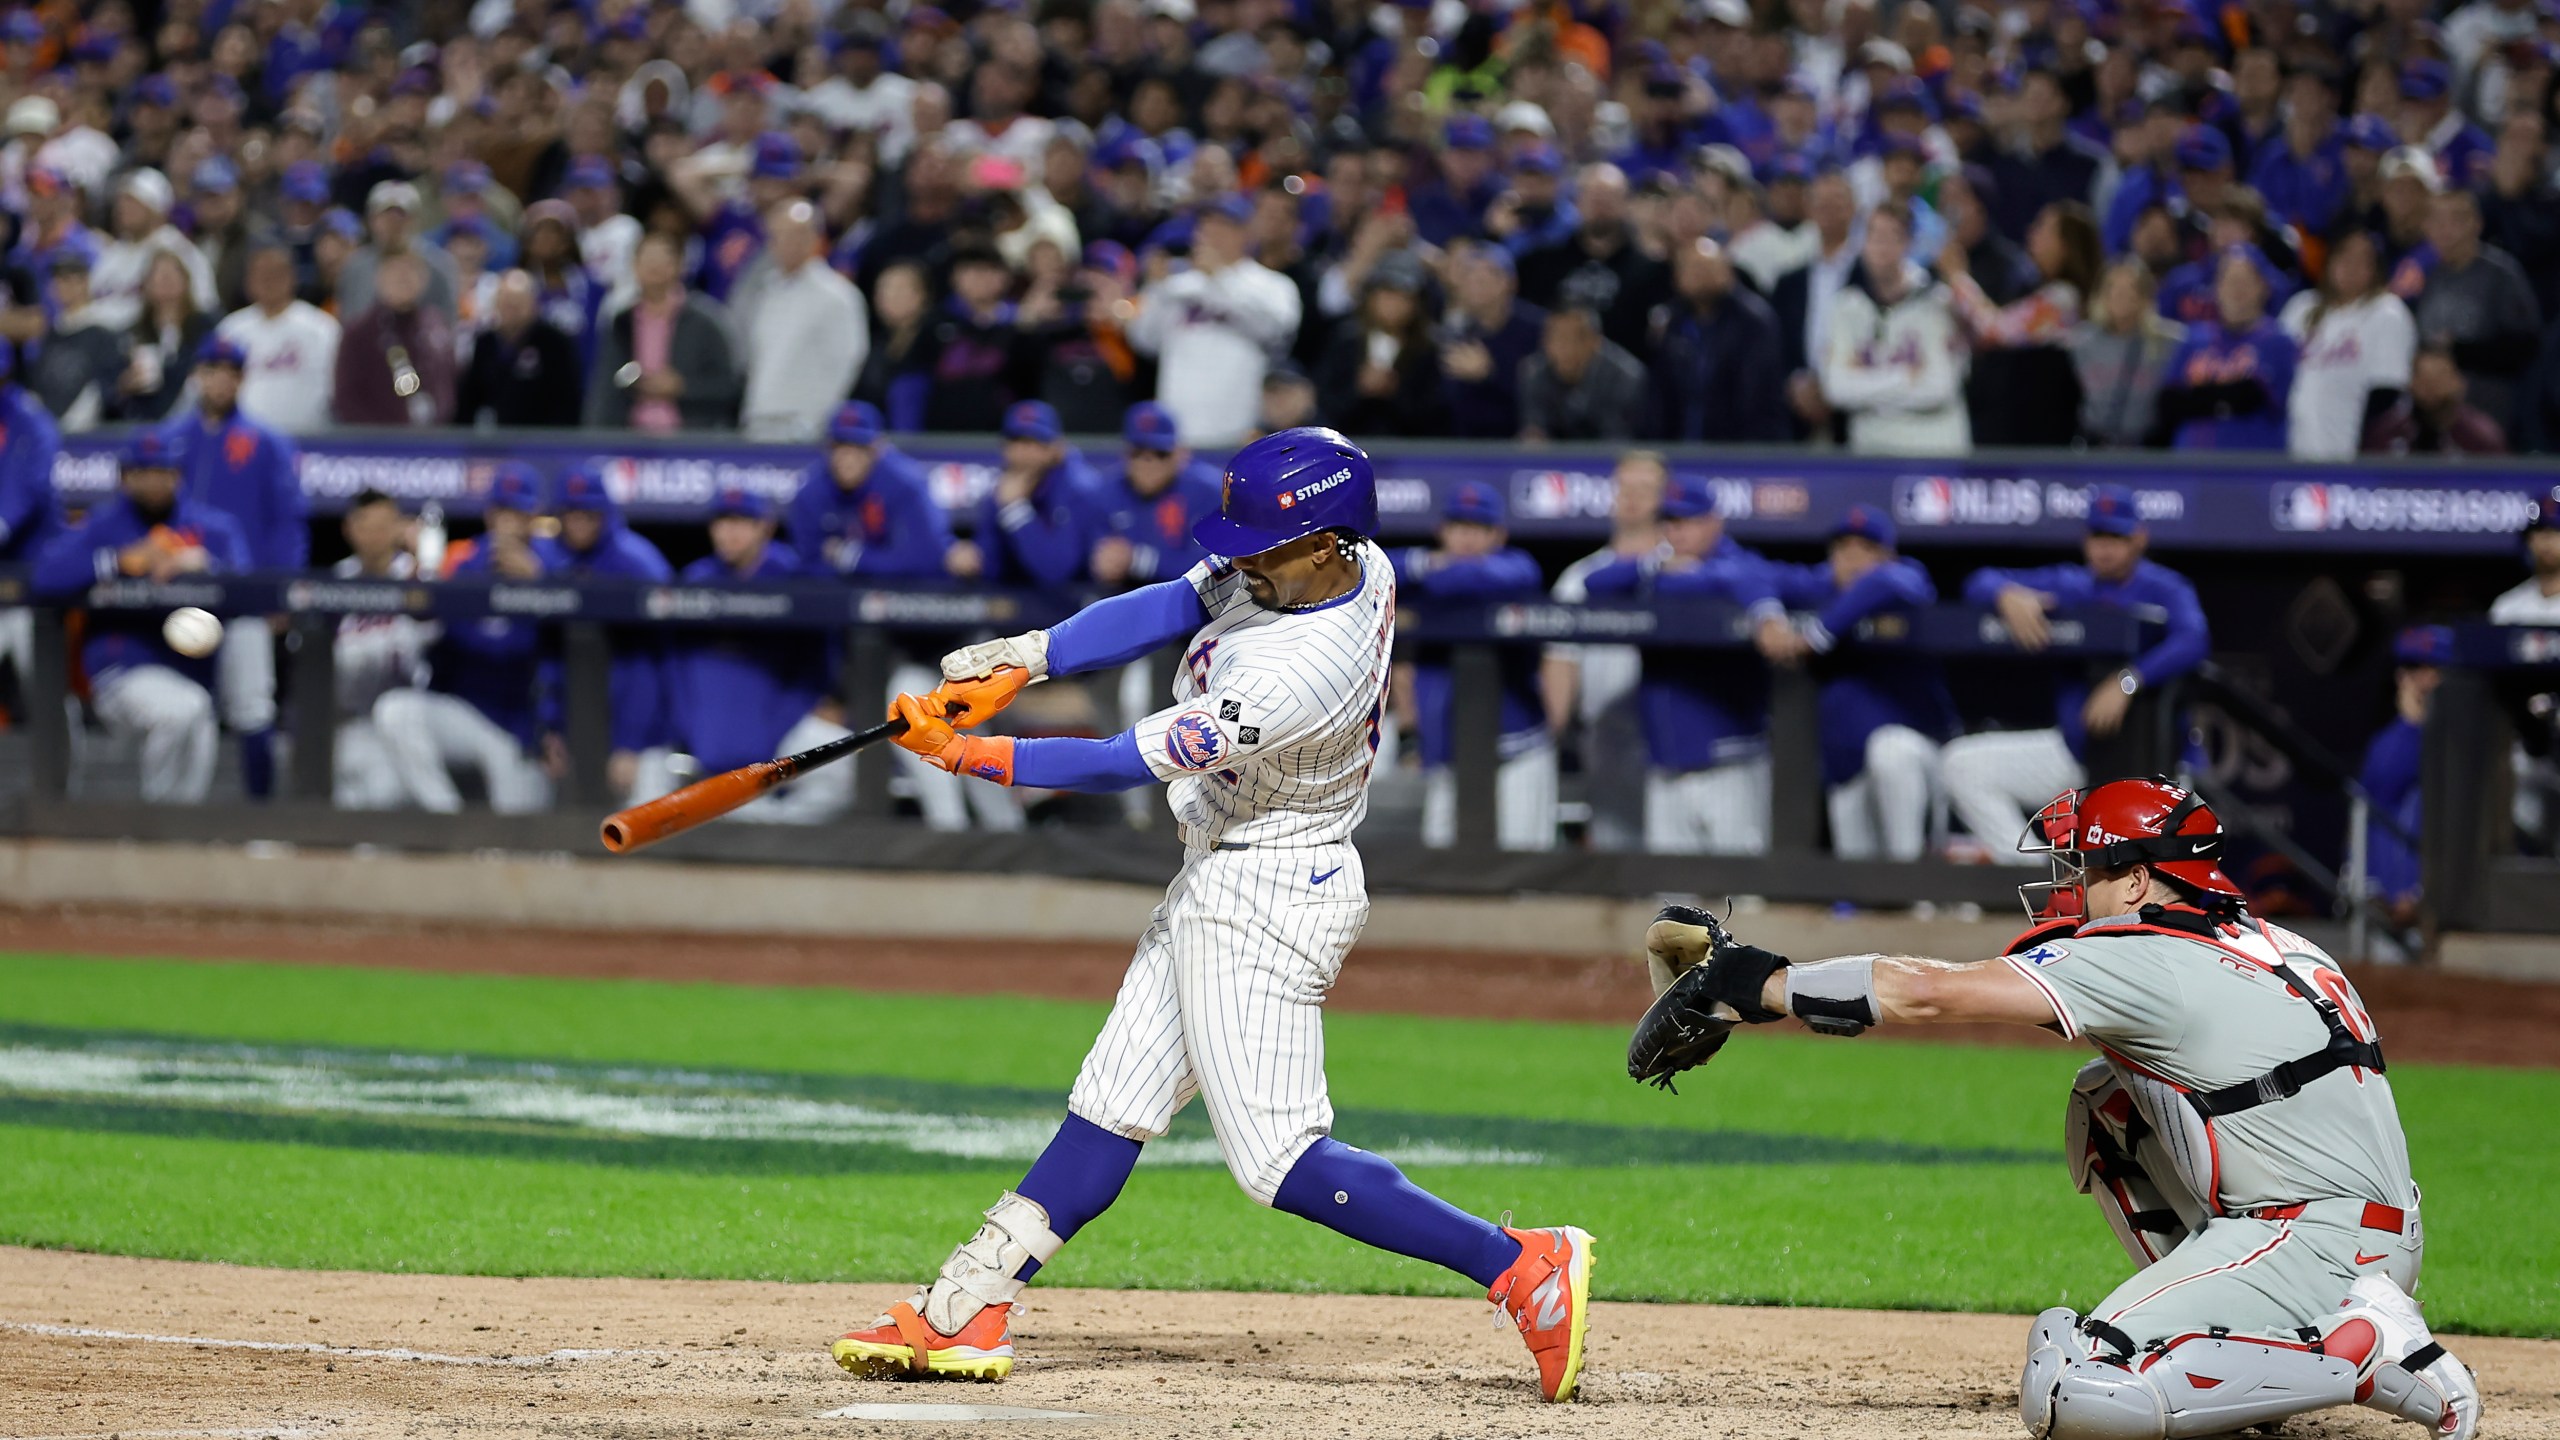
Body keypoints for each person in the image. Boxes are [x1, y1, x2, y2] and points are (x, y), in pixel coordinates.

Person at [835, 428, 1595, 1405]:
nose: (1239, 561)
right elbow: (1172, 600)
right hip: (1220, 870)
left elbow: (1117, 759)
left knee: (1277, 1160)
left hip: (1269, 893)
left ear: (1326, 542)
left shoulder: (1296, 669)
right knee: (1110, 1102)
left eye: (1261, 548)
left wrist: (972, 755)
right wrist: (1032, 654)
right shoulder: (1327, 561)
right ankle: (963, 1307)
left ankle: (1519, 1265)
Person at [1644, 778, 2480, 1440]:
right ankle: (2240, 1343)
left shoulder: (2145, 959)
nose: (2071, 886)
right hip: (2359, 1228)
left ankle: (2362, 1353)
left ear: (2142, 877)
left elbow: (1929, 995)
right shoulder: (2269, 940)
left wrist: (1757, 985)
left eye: (2088, 868)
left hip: (2315, 1245)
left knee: (2075, 1384)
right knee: (2107, 1099)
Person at [784, 401, 1020, 835]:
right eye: (839, 447)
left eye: (858, 447)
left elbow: (928, 559)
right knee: (913, 711)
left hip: (945, 636)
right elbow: (809, 569)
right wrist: (880, 563)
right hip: (889, 646)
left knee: (970, 734)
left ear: (877, 448)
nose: (848, 457)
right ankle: (954, 830)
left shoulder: (904, 484)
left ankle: (1006, 833)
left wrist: (854, 557)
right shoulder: (811, 493)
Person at [1940, 485, 2211, 861]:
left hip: (2152, 763)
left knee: (2154, 881)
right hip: (2076, 752)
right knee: (1962, 764)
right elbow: (1978, 581)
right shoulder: (2071, 584)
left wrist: (2127, 680)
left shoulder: (2165, 587)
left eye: (2116, 536)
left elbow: (2194, 639)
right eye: (2099, 535)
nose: (2105, 546)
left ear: (2139, 539)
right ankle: (2032, 873)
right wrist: (2005, 594)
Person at [29, 431, 249, 804]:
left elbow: (249, 588)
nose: (153, 480)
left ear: (178, 476)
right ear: (125, 478)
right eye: (142, 472)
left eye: (162, 471)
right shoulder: (105, 526)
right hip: (119, 668)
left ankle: (180, 829)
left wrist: (206, 567)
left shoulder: (210, 528)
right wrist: (116, 560)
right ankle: (157, 825)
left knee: (199, 722)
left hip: (191, 669)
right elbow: (45, 575)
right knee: (182, 711)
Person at [1580, 477, 1789, 855]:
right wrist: (1652, 566)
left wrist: (1767, 615)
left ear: (1714, 523)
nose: (1677, 531)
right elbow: (1595, 582)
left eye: (1688, 521)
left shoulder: (1740, 566)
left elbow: (1749, 580)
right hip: (1665, 764)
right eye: (1670, 521)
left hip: (1731, 763)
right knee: (1673, 902)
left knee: (1740, 895)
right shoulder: (1654, 570)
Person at [633, 488, 852, 826]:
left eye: (742, 522)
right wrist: (687, 724)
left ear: (764, 527)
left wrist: (789, 716)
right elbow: (672, 665)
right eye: (722, 522)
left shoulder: (794, 578)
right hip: (702, 732)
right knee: (645, 788)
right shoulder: (695, 581)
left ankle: (767, 825)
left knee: (844, 767)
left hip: (781, 726)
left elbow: (817, 661)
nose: (730, 532)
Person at [1763, 505, 1957, 861]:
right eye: (1842, 547)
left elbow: (1890, 581)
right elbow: (1756, 576)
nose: (1851, 558)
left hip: (1920, 757)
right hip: (1846, 762)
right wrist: (1766, 615)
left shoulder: (1904, 578)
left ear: (1888, 554)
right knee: (1854, 881)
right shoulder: (1824, 586)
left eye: (1865, 548)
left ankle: (1915, 882)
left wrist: (1819, 634)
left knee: (1890, 749)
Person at [166, 335, 305, 801]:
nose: (221, 380)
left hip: (244, 598)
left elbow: (288, 522)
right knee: (183, 710)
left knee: (252, 707)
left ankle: (258, 821)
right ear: (197, 376)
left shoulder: (266, 442)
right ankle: (175, 822)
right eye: (212, 370)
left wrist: (280, 591)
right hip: (175, 596)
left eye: (231, 371)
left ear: (242, 379)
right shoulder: (171, 440)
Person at [374, 463, 552, 814]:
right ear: (489, 514)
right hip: (469, 714)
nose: (509, 522)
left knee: (522, 839)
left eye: (518, 512)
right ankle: (447, 820)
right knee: (395, 711)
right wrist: (418, 583)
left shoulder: (552, 563)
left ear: (534, 516)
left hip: (522, 729)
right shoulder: (465, 560)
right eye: (502, 510)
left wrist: (540, 585)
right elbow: (429, 621)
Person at [1392, 484, 1556, 851]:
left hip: (1516, 749)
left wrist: (1431, 568)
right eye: (1458, 526)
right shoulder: (1420, 572)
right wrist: (1426, 566)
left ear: (1498, 534)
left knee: (1527, 864)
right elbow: (1375, 567)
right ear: (1442, 531)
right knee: (1441, 865)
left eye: (1478, 528)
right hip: (1450, 751)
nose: (1466, 537)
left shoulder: (1517, 567)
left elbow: (1479, 578)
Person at [1544, 452, 1666, 853]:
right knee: (1618, 861)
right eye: (1624, 488)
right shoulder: (1579, 578)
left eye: (1644, 490)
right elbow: (1561, 664)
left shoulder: (1683, 568)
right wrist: (1552, 738)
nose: (1632, 498)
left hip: (1669, 734)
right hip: (1606, 739)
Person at [539, 463, 674, 800]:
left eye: (589, 511)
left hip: (645, 740)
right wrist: (551, 727)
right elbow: (550, 659)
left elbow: (654, 666)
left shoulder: (638, 563)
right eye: (572, 512)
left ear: (605, 512)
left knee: (645, 833)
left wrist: (630, 743)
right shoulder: (554, 563)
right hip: (578, 732)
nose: (580, 520)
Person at [1126, 195, 1301, 445]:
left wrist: (1218, 279)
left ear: (1245, 233)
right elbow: (1145, 340)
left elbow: (1274, 331)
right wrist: (1155, 288)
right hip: (1177, 434)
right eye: (1206, 225)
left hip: (1241, 431)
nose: (1212, 233)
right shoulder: (1178, 286)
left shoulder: (1272, 285)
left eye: (1223, 225)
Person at [1944, 201, 2103, 448]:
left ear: (2065, 246)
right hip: (2024, 426)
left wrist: (1957, 276)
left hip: (2040, 431)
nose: (2032, 233)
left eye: (2043, 228)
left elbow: (1995, 329)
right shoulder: (2037, 288)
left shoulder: (2064, 298)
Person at [1819, 200, 1969, 455]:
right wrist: (1906, 376)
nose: (1881, 247)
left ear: (1908, 243)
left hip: (1934, 451)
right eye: (1874, 235)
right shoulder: (1845, 307)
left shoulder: (1939, 302)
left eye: (1892, 237)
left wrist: (1866, 382)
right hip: (1871, 452)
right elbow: (1837, 388)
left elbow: (1939, 387)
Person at [326, 490, 433, 811]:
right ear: (349, 528)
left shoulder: (418, 578)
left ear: (400, 527)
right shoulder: (336, 581)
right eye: (367, 526)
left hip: (406, 719)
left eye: (385, 525)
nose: (376, 535)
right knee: (346, 806)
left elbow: (434, 635)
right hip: (348, 721)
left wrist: (420, 573)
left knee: (382, 797)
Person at [735, 199, 869, 442]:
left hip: (804, 428)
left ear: (815, 238)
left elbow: (848, 362)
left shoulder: (837, 296)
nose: (788, 244)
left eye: (798, 235)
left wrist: (815, 421)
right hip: (758, 422)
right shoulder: (767, 292)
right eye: (779, 235)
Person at [2410, 188, 2540, 430]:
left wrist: (2459, 351)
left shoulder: (2502, 275)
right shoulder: (2431, 278)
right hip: (2436, 421)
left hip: (2490, 418)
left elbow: (2525, 348)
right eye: (2436, 219)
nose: (2445, 229)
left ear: (2477, 224)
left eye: (2456, 219)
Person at [586, 230, 741, 432]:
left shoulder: (706, 322)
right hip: (629, 442)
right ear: (634, 266)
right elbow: (605, 388)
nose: (654, 266)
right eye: (648, 258)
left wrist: (682, 387)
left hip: (690, 443)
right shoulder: (620, 322)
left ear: (680, 265)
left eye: (663, 258)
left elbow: (729, 388)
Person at [2282, 230, 2417, 460]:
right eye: (2344, 257)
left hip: (2348, 456)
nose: (2350, 266)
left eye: (2362, 260)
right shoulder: (2301, 308)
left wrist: (2366, 456)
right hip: (2292, 454)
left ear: (2376, 269)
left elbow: (2387, 396)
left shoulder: (2387, 312)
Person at [2153, 246, 2296, 450]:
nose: (2237, 289)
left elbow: (2251, 398)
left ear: (2264, 287)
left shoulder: (2279, 342)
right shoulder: (2193, 339)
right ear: (2217, 288)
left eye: (2247, 280)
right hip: (2189, 470)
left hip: (2253, 471)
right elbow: (2169, 404)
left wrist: (2198, 398)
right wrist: (2227, 398)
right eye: (2229, 280)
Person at [1647, 237, 1788, 442]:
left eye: (1709, 268)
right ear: (1677, 277)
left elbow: (1757, 397)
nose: (1701, 276)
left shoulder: (1755, 322)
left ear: (1728, 273)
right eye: (1694, 269)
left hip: (1738, 448)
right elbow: (1659, 394)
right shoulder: (1669, 322)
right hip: (1680, 445)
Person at [2357, 625, 2451, 929]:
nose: (2422, 679)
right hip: (2387, 909)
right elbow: (2380, 797)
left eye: (2433, 668)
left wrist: (2426, 894)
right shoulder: (2387, 743)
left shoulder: (2467, 744)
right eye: (2413, 667)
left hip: (2445, 908)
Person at [958, 402, 1099, 590]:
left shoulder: (1080, 489)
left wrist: (1016, 510)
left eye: (1033, 443)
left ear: (1055, 449)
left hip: (1078, 606)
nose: (1022, 453)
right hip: (1023, 608)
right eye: (1015, 442)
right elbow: (991, 567)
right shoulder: (1004, 486)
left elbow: (1056, 572)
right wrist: (972, 560)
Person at [1316, 251, 1447, 438]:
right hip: (1349, 444)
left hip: (1409, 455)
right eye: (1387, 294)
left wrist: (1395, 392)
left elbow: (1435, 415)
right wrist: (1359, 389)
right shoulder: (1345, 340)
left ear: (1417, 304)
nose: (1393, 305)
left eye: (1403, 297)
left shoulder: (1427, 349)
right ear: (1371, 297)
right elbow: (1325, 403)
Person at [214, 242, 340, 434]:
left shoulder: (321, 328)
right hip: (241, 443)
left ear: (293, 277)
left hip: (307, 440)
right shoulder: (231, 329)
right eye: (260, 274)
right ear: (248, 281)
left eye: (276, 273)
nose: (268, 280)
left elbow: (336, 388)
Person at [2068, 260, 2188, 448]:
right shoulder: (2080, 342)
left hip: (2145, 449)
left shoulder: (2170, 343)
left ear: (2145, 296)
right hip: (2094, 447)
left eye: (2130, 288)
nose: (2120, 295)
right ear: (2101, 294)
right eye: (2113, 288)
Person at [0, 343, 61, 700]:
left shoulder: (30, 421)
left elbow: (24, 495)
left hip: (30, 577)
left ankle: (65, 758)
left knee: (44, 688)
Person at [1437, 242, 1546, 439]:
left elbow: (1548, 397)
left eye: (1490, 273)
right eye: (1469, 274)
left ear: (1511, 283)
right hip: (1463, 448)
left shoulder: (1538, 330)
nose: (1478, 281)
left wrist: (1491, 375)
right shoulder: (1453, 331)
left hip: (1518, 446)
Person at [333, 251, 457, 426]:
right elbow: (346, 398)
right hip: (380, 445)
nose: (403, 279)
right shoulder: (359, 332)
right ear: (379, 279)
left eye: (410, 272)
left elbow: (451, 379)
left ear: (424, 279)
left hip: (434, 440)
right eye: (395, 273)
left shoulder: (435, 325)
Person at [458, 270, 585, 428]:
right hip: (496, 439)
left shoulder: (555, 343)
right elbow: (470, 399)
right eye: (506, 303)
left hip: (543, 438)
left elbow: (568, 401)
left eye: (517, 304)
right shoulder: (485, 342)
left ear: (533, 305)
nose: (510, 310)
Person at [1518, 306, 1651, 441]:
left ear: (1595, 341)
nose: (1565, 349)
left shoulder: (1625, 377)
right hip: (1553, 460)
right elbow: (1534, 429)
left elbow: (1618, 439)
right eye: (1556, 338)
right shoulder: (1532, 373)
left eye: (1575, 339)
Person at [114, 249, 213, 421]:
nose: (166, 281)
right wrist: (125, 384)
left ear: (186, 280)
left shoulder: (204, 325)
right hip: (146, 418)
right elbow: (113, 389)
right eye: (159, 276)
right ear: (146, 285)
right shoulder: (134, 332)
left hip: (194, 415)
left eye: (171, 274)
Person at [2363, 345, 2510, 454]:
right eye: (2424, 378)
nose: (2431, 387)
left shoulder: (2481, 438)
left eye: (2439, 377)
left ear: (2459, 383)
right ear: (2410, 383)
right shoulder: (2385, 433)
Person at [2491, 495, 2560, 622]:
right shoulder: (2507, 607)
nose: (2547, 540)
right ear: (2528, 541)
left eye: (2556, 531)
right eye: (2539, 531)